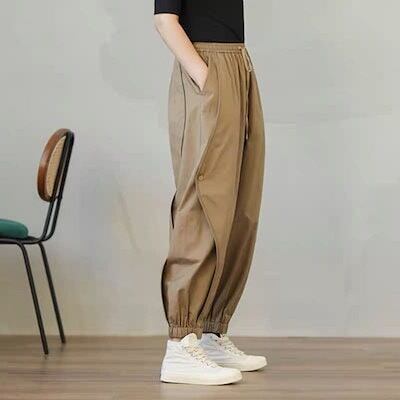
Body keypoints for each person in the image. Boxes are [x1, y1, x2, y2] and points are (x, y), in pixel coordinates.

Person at [154, 0, 266, 385]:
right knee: (203, 202)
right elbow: (165, 20)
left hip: (236, 65)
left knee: (239, 204)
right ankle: (180, 342)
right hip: (208, 66)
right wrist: (206, 76)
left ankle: (211, 331)